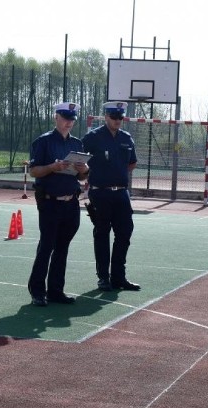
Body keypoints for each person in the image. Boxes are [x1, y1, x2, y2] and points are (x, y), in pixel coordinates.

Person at [26, 102, 90, 307]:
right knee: (46, 247)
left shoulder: (77, 144)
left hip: (71, 203)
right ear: (56, 117)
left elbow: (84, 176)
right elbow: (34, 171)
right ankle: (37, 291)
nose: (68, 122)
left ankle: (55, 290)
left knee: (62, 248)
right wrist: (53, 167)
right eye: (65, 118)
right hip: (50, 203)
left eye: (72, 119)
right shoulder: (43, 142)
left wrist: (84, 168)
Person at [81, 101, 140, 292]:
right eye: (114, 117)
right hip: (100, 193)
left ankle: (118, 277)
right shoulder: (93, 137)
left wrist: (117, 172)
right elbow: (80, 161)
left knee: (124, 233)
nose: (117, 121)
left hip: (121, 193)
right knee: (102, 234)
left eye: (120, 117)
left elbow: (132, 163)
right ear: (106, 117)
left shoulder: (126, 138)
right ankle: (103, 278)